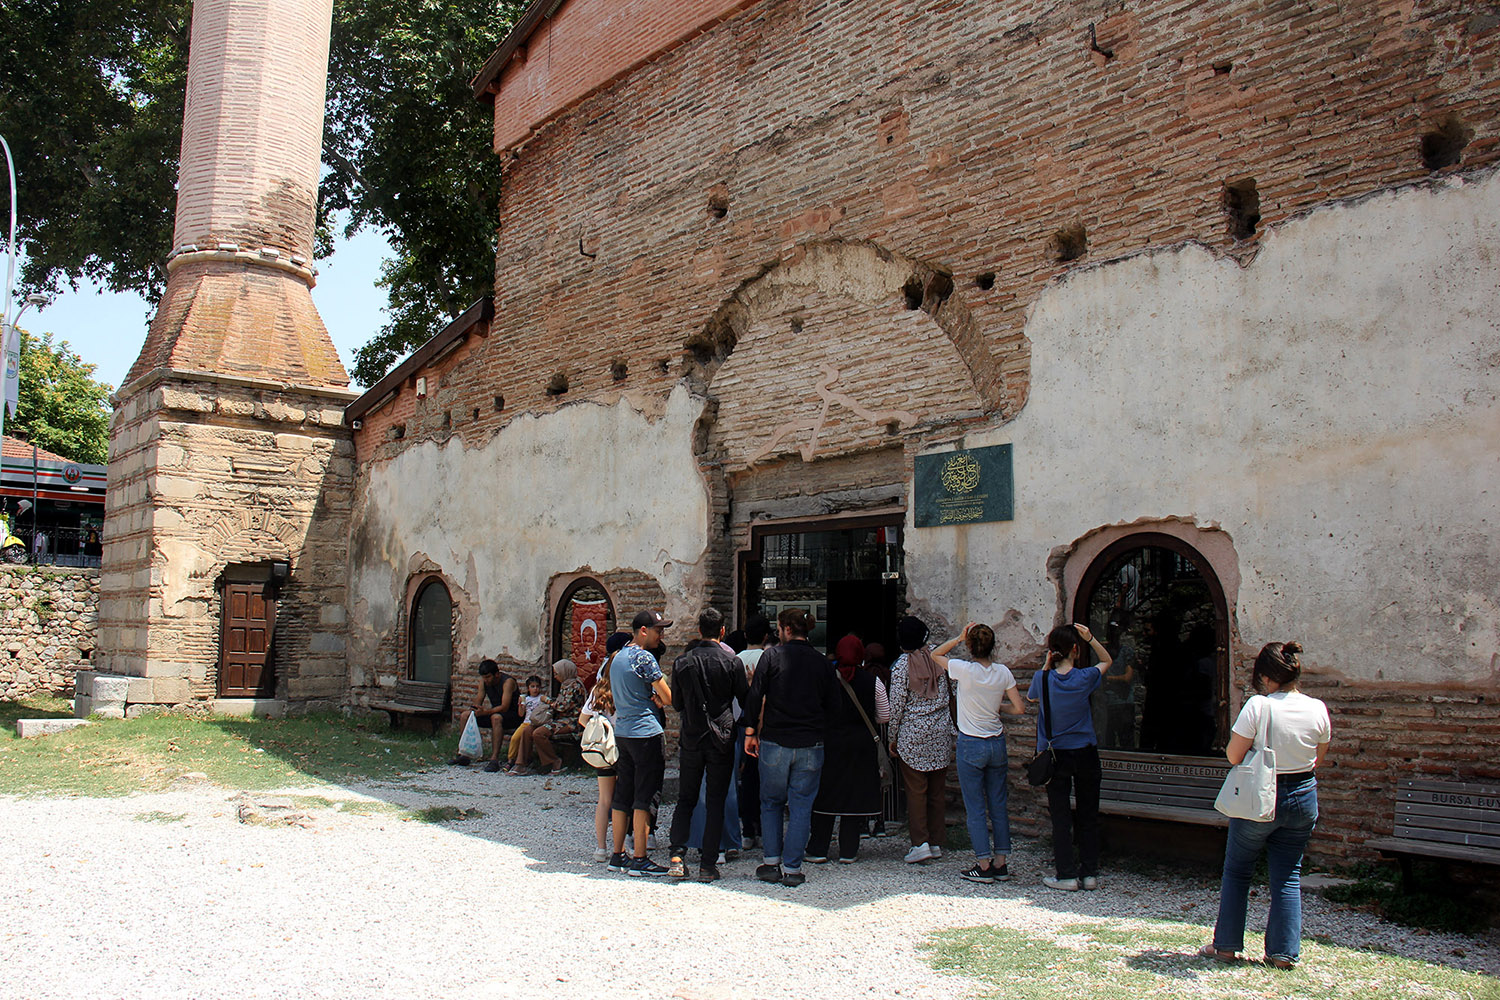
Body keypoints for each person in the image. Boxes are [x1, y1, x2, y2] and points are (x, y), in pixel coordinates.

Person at [1201, 641, 1330, 970]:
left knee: (1238, 870)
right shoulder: (1318, 708)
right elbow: (1319, 758)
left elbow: (1233, 756)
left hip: (1262, 796)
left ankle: (1226, 945)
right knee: (1288, 876)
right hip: (1303, 795)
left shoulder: (1259, 706)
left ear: (1266, 678)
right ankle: (1283, 953)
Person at [743, 607, 839, 887]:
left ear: (784, 629)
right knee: (801, 806)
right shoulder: (821, 663)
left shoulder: (771, 656)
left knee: (771, 803)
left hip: (775, 740)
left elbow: (755, 693)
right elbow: (834, 705)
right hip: (811, 743)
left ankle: (771, 862)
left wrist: (750, 731)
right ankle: (794, 867)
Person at [933, 622, 1024, 883]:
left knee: (975, 808)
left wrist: (958, 638)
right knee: (998, 804)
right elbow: (1018, 709)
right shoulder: (1003, 672)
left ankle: (983, 864)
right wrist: (997, 708)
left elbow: (935, 655)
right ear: (993, 646)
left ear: (971, 646)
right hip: (996, 742)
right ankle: (1001, 862)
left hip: (971, 742)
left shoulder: (965, 670)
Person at [1027, 623, 1112, 891]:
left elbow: (1031, 699)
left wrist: (1045, 664)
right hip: (1085, 751)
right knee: (1088, 813)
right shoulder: (1085, 677)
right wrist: (1091, 638)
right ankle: (1089, 873)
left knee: (1061, 816)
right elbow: (1107, 660)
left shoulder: (1042, 680)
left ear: (1052, 652)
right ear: (1075, 649)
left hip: (1056, 754)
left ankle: (1065, 873)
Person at [666, 607, 749, 881]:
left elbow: (676, 703)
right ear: (722, 631)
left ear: (698, 630)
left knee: (686, 798)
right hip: (721, 739)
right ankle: (708, 864)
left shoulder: (681, 663)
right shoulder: (732, 662)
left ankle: (677, 855)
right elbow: (744, 700)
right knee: (716, 800)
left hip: (691, 737)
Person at [806, 633, 885, 865]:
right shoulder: (873, 681)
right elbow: (885, 714)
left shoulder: (826, 677)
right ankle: (848, 851)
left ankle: (819, 848)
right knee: (854, 795)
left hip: (830, 742)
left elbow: (815, 708)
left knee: (826, 794)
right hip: (861, 744)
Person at [607, 610, 674, 876]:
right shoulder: (643, 658)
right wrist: (658, 698)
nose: (661, 635)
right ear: (643, 631)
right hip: (646, 733)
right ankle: (640, 857)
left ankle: (617, 854)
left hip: (622, 732)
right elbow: (667, 697)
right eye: (658, 630)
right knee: (645, 796)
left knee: (623, 794)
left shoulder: (618, 657)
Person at [888, 615, 955, 864]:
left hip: (912, 734)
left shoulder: (902, 666)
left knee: (916, 791)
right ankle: (937, 841)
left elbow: (896, 705)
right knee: (937, 791)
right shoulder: (940, 659)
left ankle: (920, 843)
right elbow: (953, 691)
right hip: (940, 732)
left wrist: (892, 737)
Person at [580, 632, 628, 862]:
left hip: (603, 750)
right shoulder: (625, 689)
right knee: (624, 798)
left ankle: (600, 847)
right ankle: (624, 844)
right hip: (622, 746)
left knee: (604, 799)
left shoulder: (597, 690)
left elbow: (582, 719)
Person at [736, 614, 774, 849]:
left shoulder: (736, 660)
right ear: (766, 636)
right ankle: (763, 827)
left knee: (745, 777)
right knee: (766, 779)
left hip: (742, 724)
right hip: (767, 726)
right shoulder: (770, 658)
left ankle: (747, 828)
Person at [449, 659, 519, 772]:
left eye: (488, 677)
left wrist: (485, 712)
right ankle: (464, 754)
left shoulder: (508, 682)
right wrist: (475, 710)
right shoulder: (484, 682)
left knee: (495, 718)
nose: (485, 680)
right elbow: (479, 699)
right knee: (465, 716)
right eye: (484, 677)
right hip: (494, 713)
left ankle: (494, 759)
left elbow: (504, 707)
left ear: (496, 674)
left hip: (512, 716)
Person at [532, 658, 585, 775]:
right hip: (561, 719)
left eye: (557, 674)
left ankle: (554, 761)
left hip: (571, 722)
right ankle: (543, 763)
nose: (555, 676)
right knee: (530, 730)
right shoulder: (565, 685)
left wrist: (547, 701)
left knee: (539, 733)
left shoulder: (575, 686)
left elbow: (563, 706)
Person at [506, 674, 551, 775]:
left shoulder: (541, 698)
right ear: (528, 688)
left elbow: (548, 702)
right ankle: (511, 759)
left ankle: (527, 760)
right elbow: (521, 714)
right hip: (526, 723)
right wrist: (521, 705)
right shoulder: (526, 699)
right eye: (532, 687)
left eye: (537, 686)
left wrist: (547, 700)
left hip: (536, 723)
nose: (535, 689)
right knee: (515, 738)